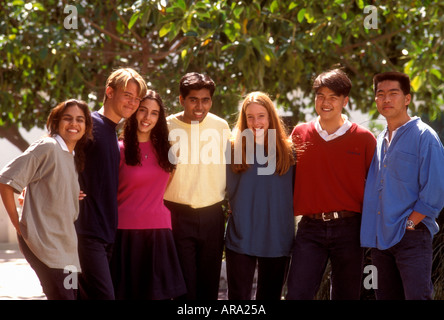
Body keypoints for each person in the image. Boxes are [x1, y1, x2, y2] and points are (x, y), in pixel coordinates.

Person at [285, 69, 377, 300]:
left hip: (350, 228)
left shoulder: (364, 139)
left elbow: (378, 187)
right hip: (310, 228)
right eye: (320, 96)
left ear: (345, 101)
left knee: (346, 295)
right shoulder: (299, 133)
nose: (325, 102)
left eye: (333, 97)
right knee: (297, 293)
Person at [360, 71, 444, 300]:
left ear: (407, 98)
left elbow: (436, 189)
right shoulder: (379, 140)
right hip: (381, 241)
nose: (386, 99)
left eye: (393, 93)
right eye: (381, 94)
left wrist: (410, 223)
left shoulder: (425, 136)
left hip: (412, 237)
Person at [0, 99, 92, 300]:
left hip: (68, 248)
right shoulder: (47, 146)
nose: (74, 124)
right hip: (45, 244)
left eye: (80, 120)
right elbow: (6, 182)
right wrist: (19, 225)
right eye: (68, 119)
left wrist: (69, 193)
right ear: (57, 122)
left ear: (86, 126)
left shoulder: (73, 155)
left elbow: (51, 185)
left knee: (72, 297)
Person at [75, 68, 147, 300]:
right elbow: (55, 158)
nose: (133, 103)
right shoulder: (88, 125)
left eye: (137, 99)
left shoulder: (112, 133)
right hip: (85, 232)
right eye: (128, 95)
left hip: (106, 233)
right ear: (109, 91)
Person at [110, 90, 187, 299]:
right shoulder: (117, 149)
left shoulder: (167, 151)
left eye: (154, 113)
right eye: (143, 110)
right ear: (134, 112)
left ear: (159, 117)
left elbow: (163, 186)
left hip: (159, 232)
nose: (147, 118)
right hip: (125, 233)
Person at [164, 72, 230, 300]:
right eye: (193, 99)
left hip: (213, 214)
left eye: (205, 100)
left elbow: (232, 169)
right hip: (175, 214)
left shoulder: (221, 126)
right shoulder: (165, 127)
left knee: (209, 286)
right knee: (184, 288)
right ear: (182, 100)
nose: (200, 106)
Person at [225, 92, 295, 300]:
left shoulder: (289, 151)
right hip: (241, 233)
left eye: (261, 116)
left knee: (270, 296)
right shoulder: (233, 148)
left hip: (277, 236)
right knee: (237, 298)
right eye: (250, 117)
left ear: (271, 117)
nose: (256, 122)